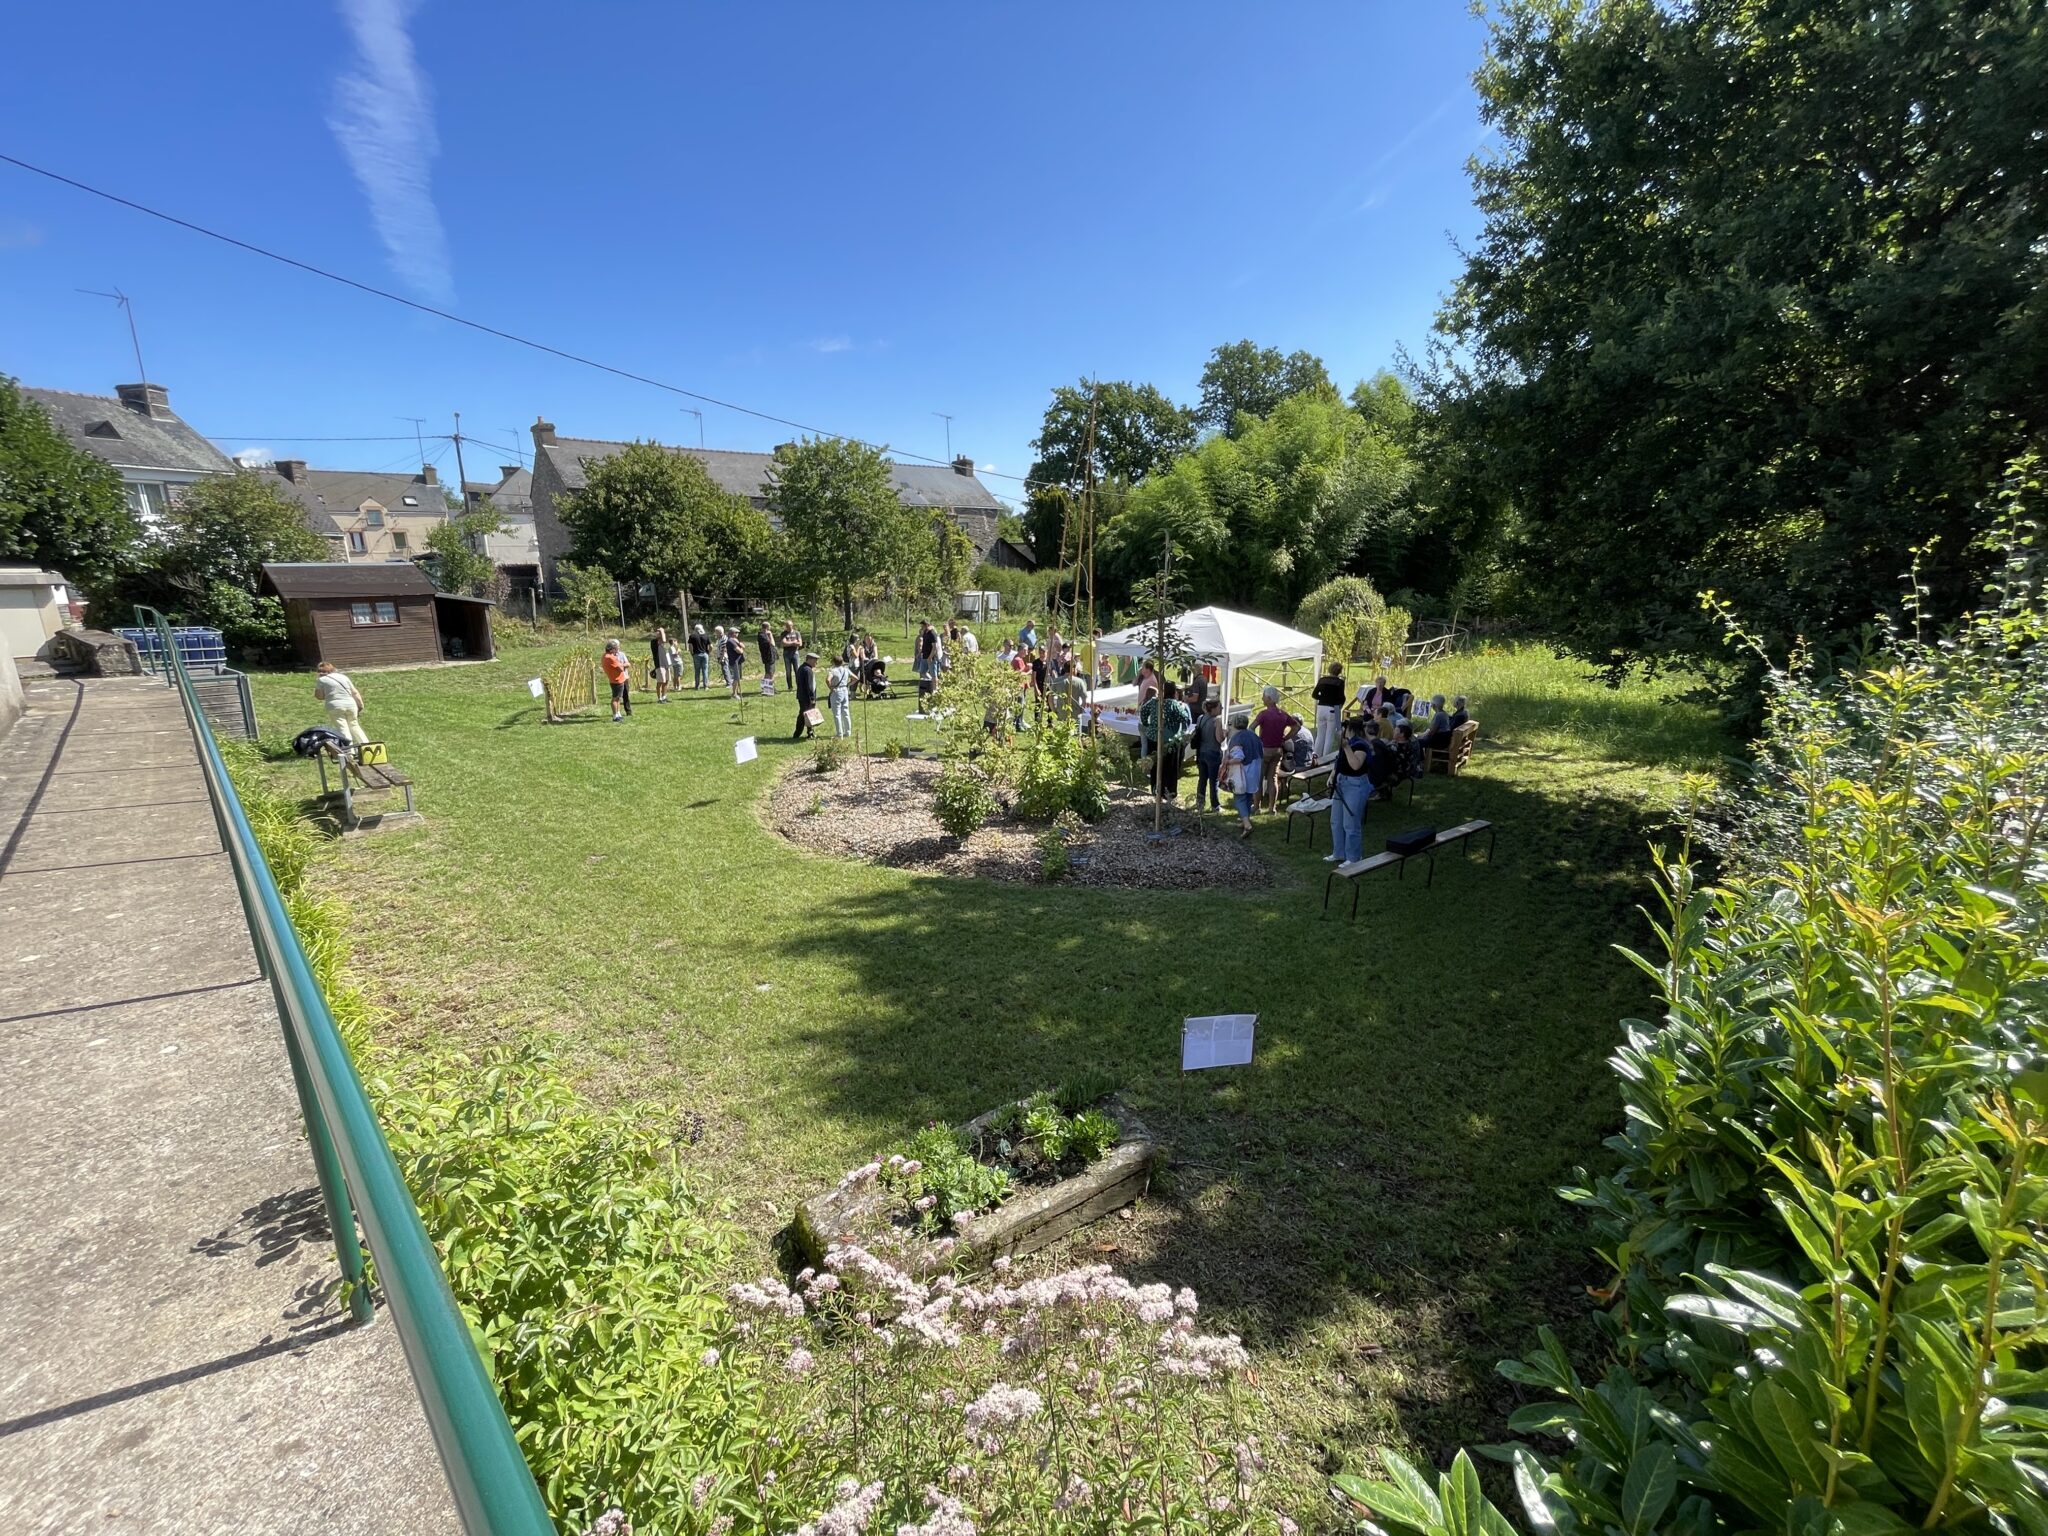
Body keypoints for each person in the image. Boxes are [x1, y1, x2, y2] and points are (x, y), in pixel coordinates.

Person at [1328, 715, 1375, 864]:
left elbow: (1355, 765)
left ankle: (1353, 857)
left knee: (1350, 824)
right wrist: (1333, 775)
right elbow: (1340, 761)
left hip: (1356, 785)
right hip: (1341, 782)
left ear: (1350, 729)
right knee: (1336, 821)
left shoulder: (1361, 745)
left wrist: (1346, 747)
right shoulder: (1349, 743)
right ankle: (1338, 853)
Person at [1139, 678, 1194, 800]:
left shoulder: (1154, 702)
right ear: (1174, 693)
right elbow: (1185, 718)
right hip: (1170, 741)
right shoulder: (1174, 704)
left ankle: (1155, 790)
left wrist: (1147, 724)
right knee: (1170, 768)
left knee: (1155, 766)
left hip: (1153, 738)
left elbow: (1143, 711)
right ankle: (1169, 792)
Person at [1252, 686, 1301, 813]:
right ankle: (1272, 808)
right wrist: (1285, 738)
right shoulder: (1282, 714)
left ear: (1269, 698)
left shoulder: (1263, 714)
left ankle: (1257, 807)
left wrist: (1256, 741)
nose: (1262, 698)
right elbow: (1296, 726)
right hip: (1278, 750)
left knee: (1258, 779)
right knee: (1273, 778)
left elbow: (1251, 728)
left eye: (1264, 696)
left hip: (1264, 750)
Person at [1224, 712, 1263, 837]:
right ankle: (1245, 819)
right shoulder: (1254, 735)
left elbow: (1239, 757)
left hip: (1243, 771)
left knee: (1239, 797)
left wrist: (1227, 762)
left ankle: (1247, 825)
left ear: (1235, 725)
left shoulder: (1236, 738)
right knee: (1248, 796)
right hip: (1256, 769)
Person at [312, 662, 368, 746]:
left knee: (343, 728)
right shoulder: (344, 677)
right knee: (355, 725)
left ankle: (349, 750)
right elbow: (355, 692)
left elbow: (319, 696)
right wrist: (361, 705)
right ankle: (367, 746)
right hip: (350, 704)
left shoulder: (321, 680)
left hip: (335, 706)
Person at [1194, 697, 1226, 812]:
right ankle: (1215, 805)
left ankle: (1200, 804)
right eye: (1220, 707)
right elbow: (1219, 739)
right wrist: (1225, 734)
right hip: (1213, 753)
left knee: (1202, 779)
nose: (1222, 708)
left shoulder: (1200, 718)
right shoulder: (1217, 721)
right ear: (1213, 709)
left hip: (1201, 752)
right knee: (1214, 781)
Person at [1311, 661, 1346, 761]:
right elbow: (1341, 697)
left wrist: (1323, 697)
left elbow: (1314, 695)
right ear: (1339, 671)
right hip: (1333, 708)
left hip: (1321, 707)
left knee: (1320, 734)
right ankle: (1325, 758)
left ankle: (1316, 756)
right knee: (1329, 735)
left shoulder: (1322, 680)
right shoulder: (1340, 682)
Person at [602, 640, 633, 722]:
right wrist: (622, 665)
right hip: (617, 680)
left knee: (618, 698)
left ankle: (618, 713)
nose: (617, 650)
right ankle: (615, 715)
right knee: (615, 698)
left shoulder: (605, 656)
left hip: (614, 679)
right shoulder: (611, 658)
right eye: (615, 649)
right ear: (611, 649)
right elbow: (620, 669)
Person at [792, 651, 819, 740]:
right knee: (807, 715)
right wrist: (812, 698)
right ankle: (802, 733)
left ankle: (807, 732)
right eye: (815, 661)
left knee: (805, 715)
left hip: (801, 695)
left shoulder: (801, 668)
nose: (816, 663)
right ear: (810, 660)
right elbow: (810, 686)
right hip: (807, 697)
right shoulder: (808, 670)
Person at [826, 653, 853, 738]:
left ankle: (839, 734)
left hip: (836, 691)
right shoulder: (846, 669)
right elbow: (856, 678)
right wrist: (848, 684)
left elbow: (828, 680)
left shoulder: (832, 670)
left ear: (833, 662)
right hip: (845, 690)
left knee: (837, 714)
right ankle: (848, 732)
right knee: (846, 712)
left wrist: (831, 687)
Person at [720, 627, 747, 698]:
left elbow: (742, 646)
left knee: (737, 678)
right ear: (733, 633)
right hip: (734, 662)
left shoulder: (735, 640)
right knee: (736, 678)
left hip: (738, 661)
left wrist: (741, 646)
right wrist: (742, 648)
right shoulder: (730, 641)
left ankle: (736, 692)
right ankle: (734, 694)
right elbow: (739, 651)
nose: (738, 634)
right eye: (737, 633)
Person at [650, 626, 674, 704]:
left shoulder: (665, 642)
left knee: (666, 681)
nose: (660, 633)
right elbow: (662, 640)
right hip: (660, 664)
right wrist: (662, 631)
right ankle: (659, 698)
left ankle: (664, 697)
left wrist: (663, 632)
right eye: (658, 632)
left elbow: (665, 642)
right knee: (661, 681)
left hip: (666, 663)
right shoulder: (654, 641)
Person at [780, 620, 804, 689]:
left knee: (797, 670)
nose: (789, 627)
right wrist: (794, 642)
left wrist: (789, 642)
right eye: (787, 626)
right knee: (788, 671)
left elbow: (800, 643)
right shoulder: (783, 634)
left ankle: (799, 686)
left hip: (795, 653)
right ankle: (790, 686)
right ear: (786, 626)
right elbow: (783, 643)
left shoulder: (797, 633)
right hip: (786, 654)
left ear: (792, 625)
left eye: (790, 626)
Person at [688, 623, 711, 689]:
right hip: (705, 654)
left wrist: (692, 653)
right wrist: (708, 652)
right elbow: (711, 646)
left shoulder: (692, 636)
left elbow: (690, 646)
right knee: (705, 670)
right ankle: (705, 686)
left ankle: (697, 686)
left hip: (696, 654)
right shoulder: (706, 636)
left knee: (697, 671)